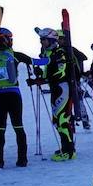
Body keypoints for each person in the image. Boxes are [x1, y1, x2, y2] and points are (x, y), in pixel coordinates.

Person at [32, 27, 76, 160]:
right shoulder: (50, 53)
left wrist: (42, 78)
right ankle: (66, 148)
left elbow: (59, 73)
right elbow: (48, 72)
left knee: (63, 120)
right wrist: (38, 79)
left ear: (51, 40)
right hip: (55, 89)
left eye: (44, 40)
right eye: (41, 40)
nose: (41, 43)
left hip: (62, 88)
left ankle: (69, 152)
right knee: (56, 121)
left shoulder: (59, 53)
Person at [0, 28, 32, 167]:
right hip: (14, 94)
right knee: (18, 127)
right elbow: (35, 61)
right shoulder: (14, 54)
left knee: (0, 129)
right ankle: (22, 160)